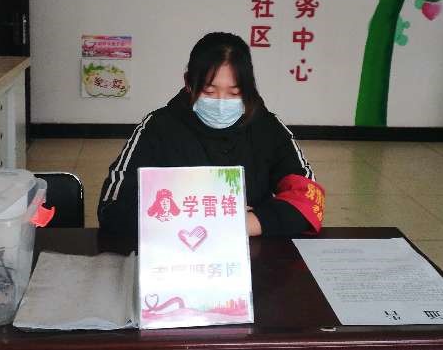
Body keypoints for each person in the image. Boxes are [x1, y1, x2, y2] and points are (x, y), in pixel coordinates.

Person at [98, 32, 325, 240]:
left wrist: (246, 224)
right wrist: (213, 218)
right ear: (188, 83)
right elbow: (112, 207)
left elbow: (309, 199)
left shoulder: (268, 128)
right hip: (176, 252)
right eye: (209, 91)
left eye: (234, 92)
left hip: (252, 255)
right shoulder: (158, 128)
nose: (221, 102)